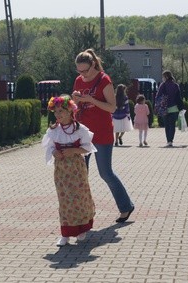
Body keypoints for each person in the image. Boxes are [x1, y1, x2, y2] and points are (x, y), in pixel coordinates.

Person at [72, 49, 135, 223]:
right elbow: (75, 106)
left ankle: (126, 206)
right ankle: (82, 214)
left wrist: (91, 100)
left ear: (93, 65)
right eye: (79, 71)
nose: (82, 74)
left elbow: (112, 108)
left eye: (85, 70)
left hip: (101, 133)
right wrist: (74, 100)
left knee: (105, 173)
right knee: (80, 174)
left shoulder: (104, 80)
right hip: (82, 134)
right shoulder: (78, 80)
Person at [42, 95, 97, 247]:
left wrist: (73, 150)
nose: (58, 115)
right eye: (56, 112)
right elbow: (50, 147)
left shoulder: (80, 129)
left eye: (61, 111)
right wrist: (54, 153)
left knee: (79, 196)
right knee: (65, 198)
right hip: (61, 170)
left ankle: (81, 228)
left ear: (70, 112)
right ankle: (65, 233)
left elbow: (88, 147)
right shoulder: (53, 131)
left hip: (76, 168)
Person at [154, 70, 183, 147]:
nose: (162, 78)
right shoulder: (176, 85)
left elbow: (158, 96)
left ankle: (168, 141)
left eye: (163, 76)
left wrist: (157, 105)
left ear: (166, 76)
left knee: (167, 125)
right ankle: (171, 140)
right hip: (174, 108)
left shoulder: (163, 85)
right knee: (172, 125)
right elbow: (179, 97)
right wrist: (181, 107)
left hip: (165, 108)